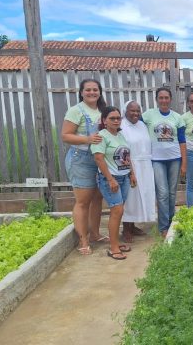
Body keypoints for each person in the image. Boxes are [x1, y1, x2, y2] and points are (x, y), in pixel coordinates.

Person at [60, 79, 106, 255]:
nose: (92, 92)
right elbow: (65, 136)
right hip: (81, 159)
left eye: (95, 90)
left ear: (100, 92)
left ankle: (95, 234)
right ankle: (83, 239)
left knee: (97, 198)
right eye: (88, 90)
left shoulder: (102, 110)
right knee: (83, 201)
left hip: (99, 159)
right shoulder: (76, 110)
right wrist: (87, 139)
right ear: (81, 92)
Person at [91, 106, 137, 260]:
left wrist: (132, 173)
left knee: (118, 211)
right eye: (112, 118)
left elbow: (126, 156)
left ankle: (116, 242)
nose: (116, 121)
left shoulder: (120, 135)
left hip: (124, 177)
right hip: (110, 179)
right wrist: (110, 179)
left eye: (118, 118)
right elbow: (98, 158)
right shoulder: (101, 137)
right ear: (104, 120)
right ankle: (113, 247)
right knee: (117, 211)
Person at [142, 87, 187, 236]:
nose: (164, 100)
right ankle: (163, 227)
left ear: (170, 99)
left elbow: (182, 141)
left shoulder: (177, 118)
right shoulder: (148, 115)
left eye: (166, 98)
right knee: (162, 193)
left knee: (172, 193)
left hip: (174, 158)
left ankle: (171, 222)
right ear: (157, 99)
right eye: (161, 98)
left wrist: (184, 162)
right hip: (156, 160)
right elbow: (135, 128)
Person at [120, 101, 156, 242]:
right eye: (132, 111)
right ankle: (126, 229)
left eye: (138, 111)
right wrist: (130, 170)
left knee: (142, 196)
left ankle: (133, 226)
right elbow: (123, 150)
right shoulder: (122, 126)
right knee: (130, 198)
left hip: (145, 165)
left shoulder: (142, 125)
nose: (135, 113)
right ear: (125, 111)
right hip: (131, 165)